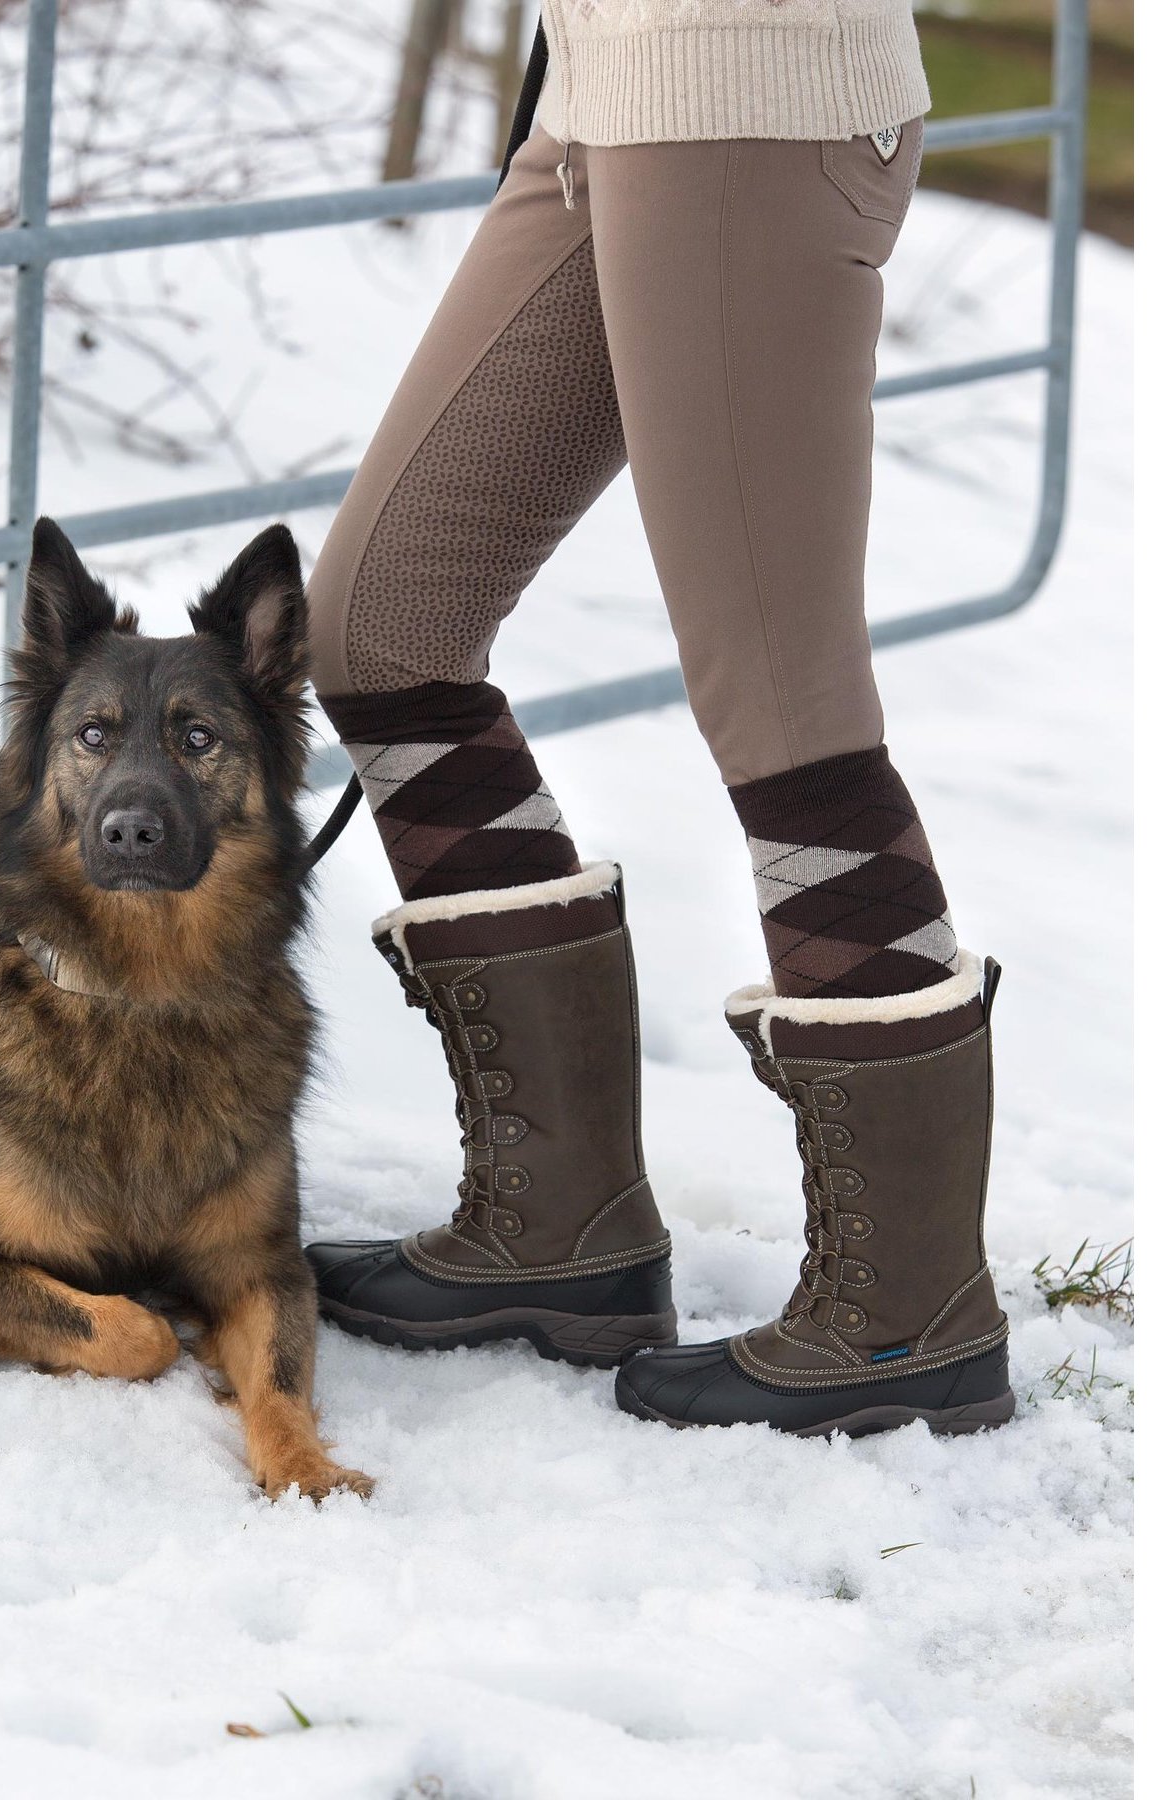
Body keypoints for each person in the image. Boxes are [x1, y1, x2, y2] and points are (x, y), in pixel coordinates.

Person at [301, 1, 1015, 1436]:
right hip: (604, 90)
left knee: (780, 694)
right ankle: (560, 1226)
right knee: (382, 626)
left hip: (748, 91)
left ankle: (907, 1317)